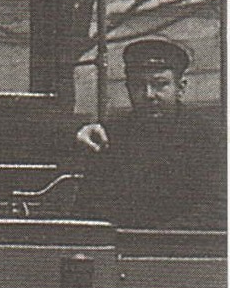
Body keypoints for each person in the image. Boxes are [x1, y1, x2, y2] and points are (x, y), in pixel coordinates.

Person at [75, 38, 226, 229]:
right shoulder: (111, 137)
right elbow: (88, 206)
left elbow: (219, 209)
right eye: (138, 85)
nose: (148, 94)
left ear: (180, 88)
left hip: (182, 247)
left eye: (160, 84)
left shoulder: (208, 137)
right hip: (119, 247)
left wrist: (153, 237)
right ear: (128, 89)